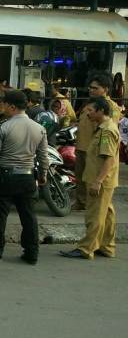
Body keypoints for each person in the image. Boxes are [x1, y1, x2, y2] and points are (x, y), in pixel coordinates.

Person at [0, 90, 49, 265]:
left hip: (4, 178)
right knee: (28, 216)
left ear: (12, 106)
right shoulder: (39, 128)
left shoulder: (4, 127)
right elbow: (43, 157)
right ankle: (32, 253)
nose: (2, 107)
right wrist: (43, 175)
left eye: (4, 104)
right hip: (27, 177)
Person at [61, 97, 119, 260]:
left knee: (95, 215)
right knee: (106, 215)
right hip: (100, 178)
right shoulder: (102, 128)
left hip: (100, 180)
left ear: (101, 111)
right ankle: (107, 246)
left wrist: (98, 181)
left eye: (91, 111)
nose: (87, 114)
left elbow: (109, 159)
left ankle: (86, 248)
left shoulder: (106, 130)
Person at [73, 73, 120, 210]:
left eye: (95, 88)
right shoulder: (90, 104)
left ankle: (91, 204)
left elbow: (109, 128)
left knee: (93, 179)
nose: (91, 90)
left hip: (95, 150)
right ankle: (81, 202)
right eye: (90, 88)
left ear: (105, 89)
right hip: (82, 146)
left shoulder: (110, 107)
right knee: (81, 177)